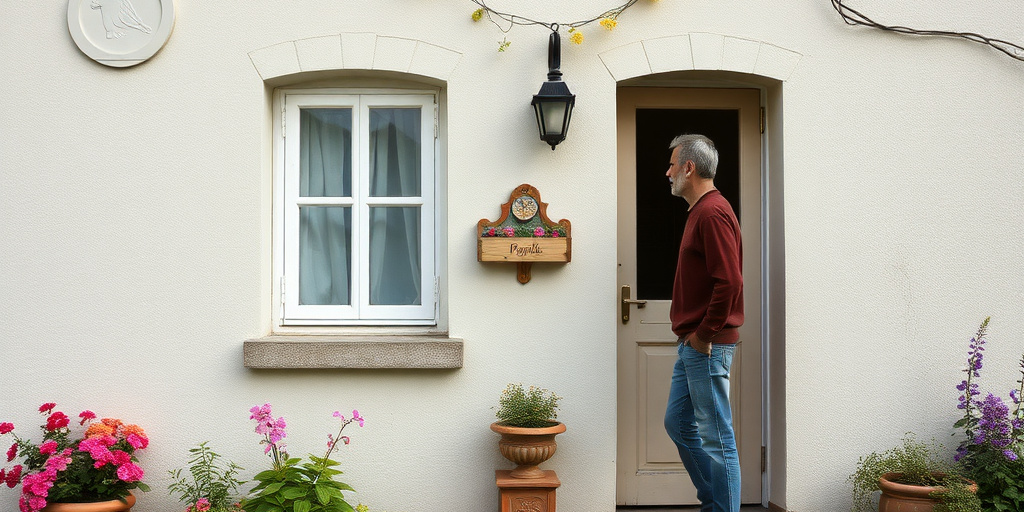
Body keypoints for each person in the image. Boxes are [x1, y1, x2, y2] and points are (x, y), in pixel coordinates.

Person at [662, 134, 743, 512]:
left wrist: (704, 335)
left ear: (689, 168)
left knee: (716, 439)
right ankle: (714, 504)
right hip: (694, 344)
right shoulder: (702, 211)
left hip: (706, 344)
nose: (668, 172)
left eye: (673, 164)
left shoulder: (712, 212)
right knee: (678, 424)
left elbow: (729, 281)